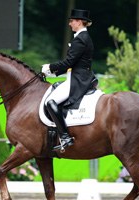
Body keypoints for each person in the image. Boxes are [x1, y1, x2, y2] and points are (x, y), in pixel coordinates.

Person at [41, 9, 97, 151]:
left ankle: (65, 136)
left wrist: (49, 67)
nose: (70, 23)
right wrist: (53, 73)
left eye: (72, 21)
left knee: (50, 102)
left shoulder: (81, 39)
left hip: (78, 80)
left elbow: (69, 62)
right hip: (77, 76)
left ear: (79, 22)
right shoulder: (83, 37)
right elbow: (72, 64)